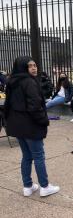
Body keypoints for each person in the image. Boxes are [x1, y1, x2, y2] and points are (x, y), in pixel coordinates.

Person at [4, 56, 60, 197]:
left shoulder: (12, 82)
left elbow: (8, 105)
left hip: (18, 126)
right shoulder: (29, 82)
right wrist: (44, 121)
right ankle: (45, 186)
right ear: (23, 67)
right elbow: (35, 106)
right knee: (38, 156)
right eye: (30, 66)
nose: (34, 68)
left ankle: (27, 186)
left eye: (35, 65)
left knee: (27, 156)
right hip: (30, 125)